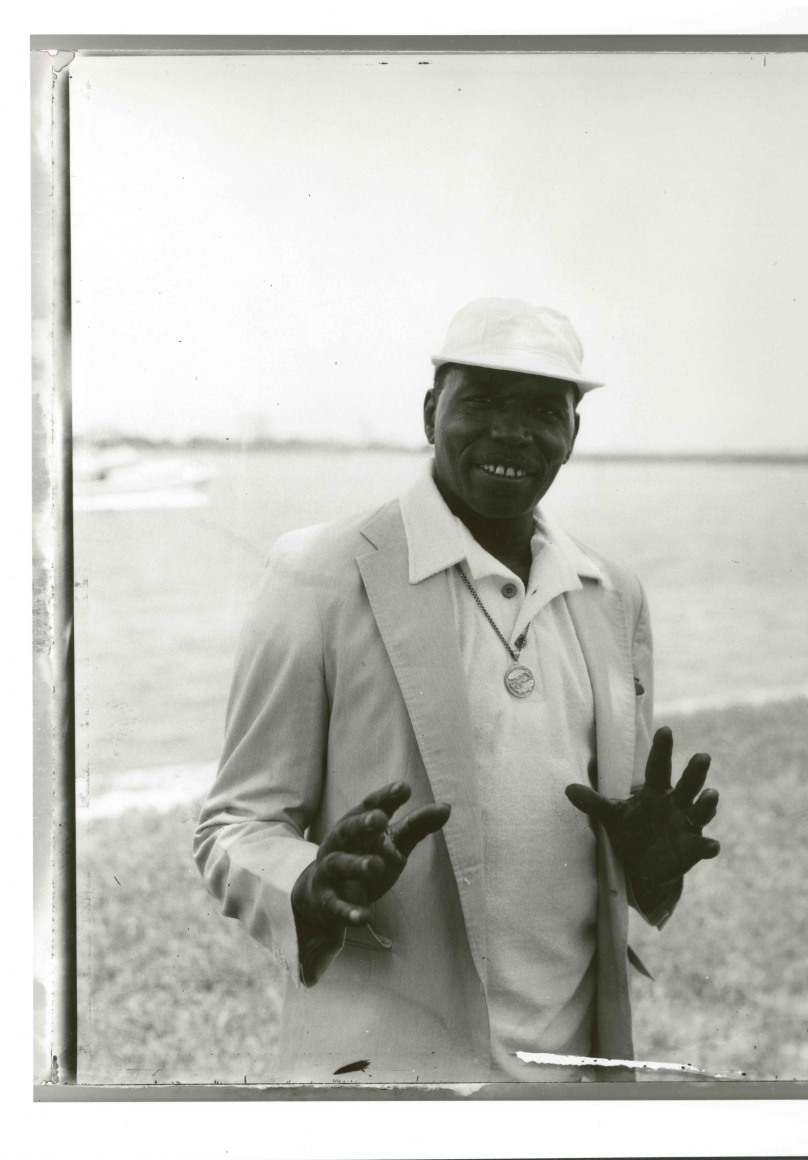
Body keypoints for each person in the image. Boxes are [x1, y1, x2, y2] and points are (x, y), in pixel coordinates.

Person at [193, 297, 720, 1084]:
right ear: (431, 410)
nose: (511, 432)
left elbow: (607, 834)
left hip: (577, 1068)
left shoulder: (612, 593)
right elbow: (236, 822)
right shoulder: (317, 571)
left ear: (573, 433)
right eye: (482, 402)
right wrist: (308, 881)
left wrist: (647, 869)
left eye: (542, 411)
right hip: (392, 1074)